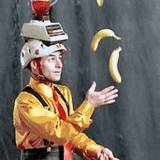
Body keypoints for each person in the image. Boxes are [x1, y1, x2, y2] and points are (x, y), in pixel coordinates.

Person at [13, 39, 119, 160]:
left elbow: (71, 135)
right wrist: (89, 105)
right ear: (35, 65)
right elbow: (60, 133)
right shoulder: (26, 101)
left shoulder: (62, 93)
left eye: (59, 58)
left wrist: (95, 150)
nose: (59, 64)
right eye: (51, 59)